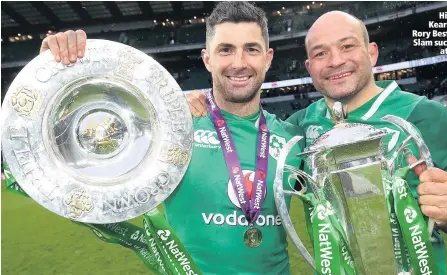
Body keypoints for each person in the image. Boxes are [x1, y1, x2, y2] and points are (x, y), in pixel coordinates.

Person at [188, 11, 447, 275]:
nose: (335, 61)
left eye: (347, 46)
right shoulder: (298, 127)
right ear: (309, 68)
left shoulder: (427, 116)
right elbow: (239, 143)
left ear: (372, 53)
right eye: (320, 53)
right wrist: (185, 109)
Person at [39, 2, 305, 275]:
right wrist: (54, 77)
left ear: (268, 58)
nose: (238, 63)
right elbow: (60, 167)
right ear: (207, 59)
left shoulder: (293, 141)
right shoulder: (171, 129)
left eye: (251, 49)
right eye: (225, 50)